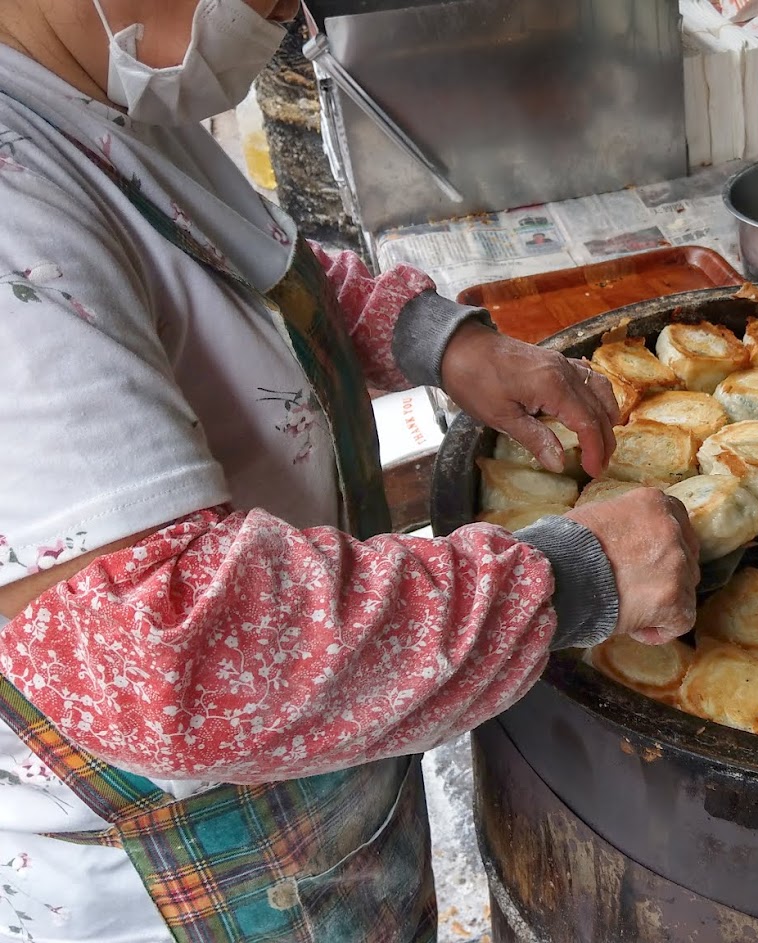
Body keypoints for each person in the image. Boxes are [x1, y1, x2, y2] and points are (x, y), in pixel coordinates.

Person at [0, 1, 699, 941]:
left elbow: (244, 272)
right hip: (201, 872)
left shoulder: (100, 86)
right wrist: (569, 577)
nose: (281, 16)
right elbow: (171, 661)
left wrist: (441, 342)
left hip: (326, 764)